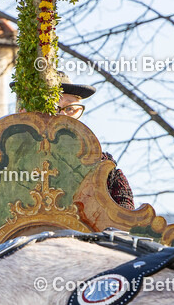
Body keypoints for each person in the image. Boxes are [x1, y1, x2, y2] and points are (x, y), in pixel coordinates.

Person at [53, 73, 135, 210]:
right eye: (54, 108)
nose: (63, 115)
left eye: (70, 109)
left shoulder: (102, 162)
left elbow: (124, 214)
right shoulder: (13, 157)